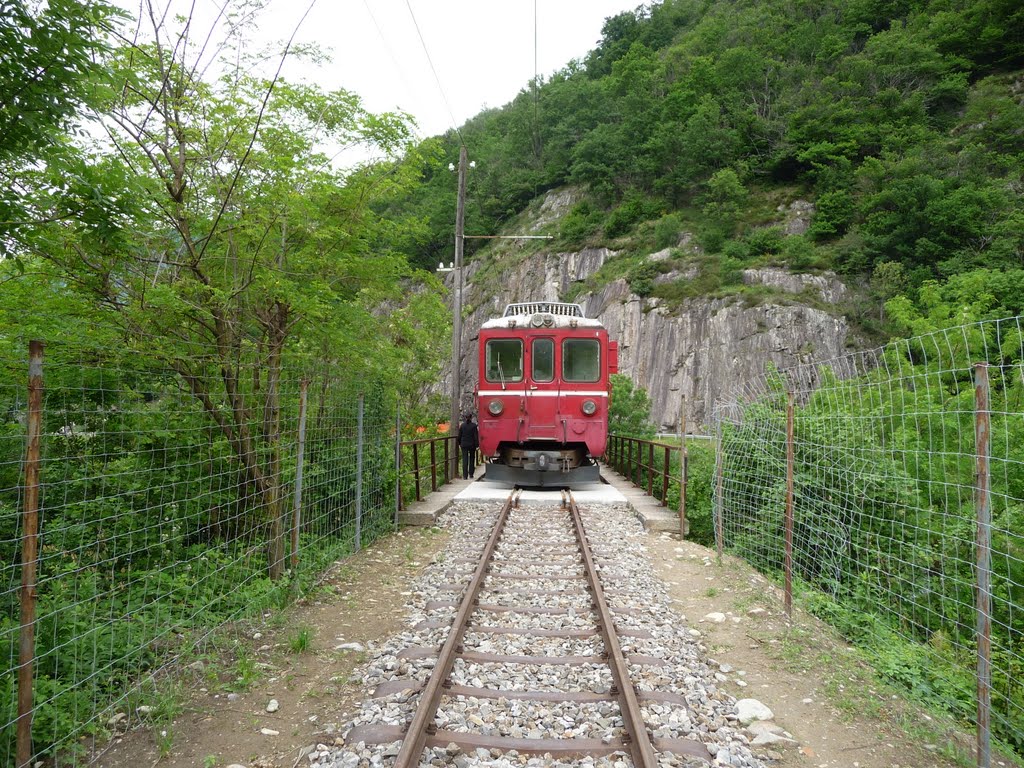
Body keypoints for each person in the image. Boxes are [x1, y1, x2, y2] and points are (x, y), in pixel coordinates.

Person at [457, 412, 479, 480]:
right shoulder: (474, 426)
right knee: (472, 458)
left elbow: (459, 436)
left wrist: (459, 443)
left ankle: (465, 475)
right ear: (471, 417)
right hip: (472, 444)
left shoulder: (462, 425)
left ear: (465, 418)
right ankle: (471, 474)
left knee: (465, 459)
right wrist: (477, 444)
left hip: (464, 444)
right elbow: (476, 436)